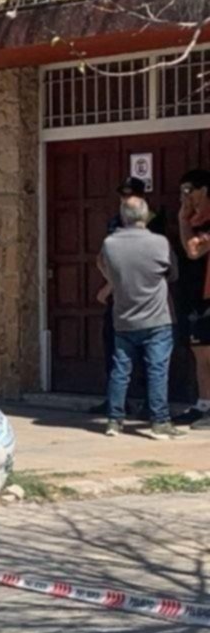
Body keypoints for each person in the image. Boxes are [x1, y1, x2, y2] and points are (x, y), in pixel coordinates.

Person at [101, 196, 184, 439]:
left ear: (123, 216)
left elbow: (107, 270)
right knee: (157, 369)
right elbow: (173, 274)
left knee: (120, 370)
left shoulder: (110, 244)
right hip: (157, 318)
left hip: (123, 317)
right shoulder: (160, 243)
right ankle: (159, 422)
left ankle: (114, 421)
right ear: (146, 216)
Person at [91, 178, 166, 415]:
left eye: (131, 195)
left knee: (150, 358)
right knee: (114, 352)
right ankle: (116, 404)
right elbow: (104, 259)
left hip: (148, 300)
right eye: (123, 195)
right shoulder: (116, 222)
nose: (126, 199)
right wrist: (112, 284)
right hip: (120, 297)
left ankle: (149, 404)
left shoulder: (154, 223)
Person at [176, 168, 210, 428]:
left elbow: (193, 250)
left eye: (189, 191)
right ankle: (203, 404)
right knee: (199, 352)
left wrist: (182, 220)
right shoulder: (194, 219)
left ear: (204, 191)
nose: (185, 198)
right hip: (193, 295)